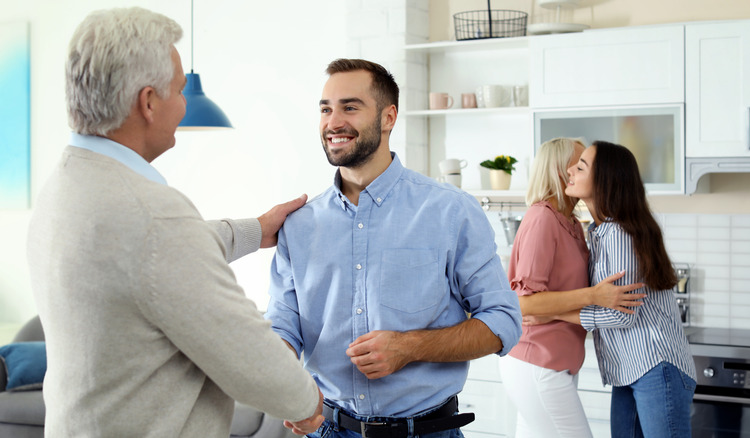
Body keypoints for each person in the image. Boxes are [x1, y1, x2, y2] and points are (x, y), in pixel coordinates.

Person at [26, 7, 323, 437]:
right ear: (148, 102)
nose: (184, 106)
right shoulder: (153, 217)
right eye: (180, 90)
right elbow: (251, 356)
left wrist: (255, 230)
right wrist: (307, 402)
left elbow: (151, 258)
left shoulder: (66, 186)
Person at [265, 58, 523, 438]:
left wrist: (411, 346)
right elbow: (281, 326)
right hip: (330, 430)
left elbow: (503, 320)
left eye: (350, 107)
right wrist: (288, 388)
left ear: (388, 118)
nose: (333, 122)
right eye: (325, 109)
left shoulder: (450, 211)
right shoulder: (299, 224)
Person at [498, 137, 645, 438]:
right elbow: (525, 304)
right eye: (579, 164)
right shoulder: (542, 219)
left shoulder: (573, 223)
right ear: (561, 172)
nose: (584, 170)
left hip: (555, 362)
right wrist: (594, 296)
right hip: (537, 362)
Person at [556, 140, 697, 437]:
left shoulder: (619, 232)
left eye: (581, 166)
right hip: (630, 369)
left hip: (656, 366)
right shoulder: (599, 232)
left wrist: (554, 315)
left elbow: (623, 315)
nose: (570, 169)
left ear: (605, 180)